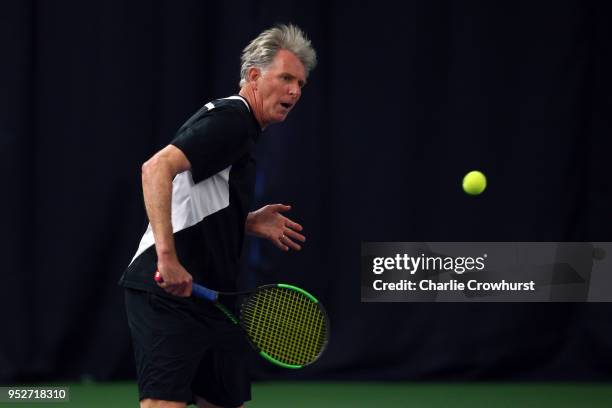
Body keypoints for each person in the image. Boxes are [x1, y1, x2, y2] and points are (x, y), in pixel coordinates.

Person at [118, 24, 317, 408]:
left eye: (301, 84)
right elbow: (155, 169)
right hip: (167, 291)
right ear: (255, 77)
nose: (295, 91)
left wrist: (244, 220)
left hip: (209, 298)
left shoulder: (242, 129)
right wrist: (168, 258)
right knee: (163, 404)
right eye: (286, 78)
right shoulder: (232, 120)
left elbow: (191, 200)